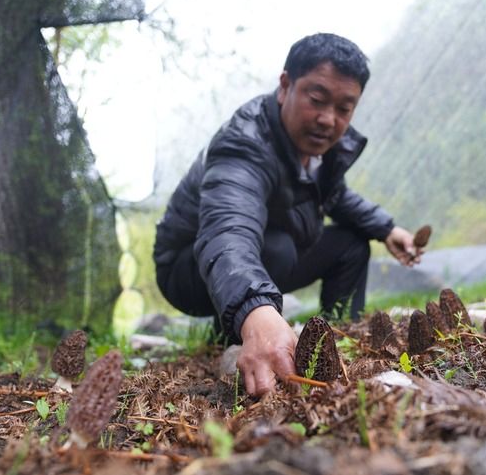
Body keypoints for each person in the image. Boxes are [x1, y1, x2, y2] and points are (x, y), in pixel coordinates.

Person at [154, 33, 422, 396]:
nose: (327, 119)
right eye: (317, 100)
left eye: (344, 109)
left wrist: (388, 229)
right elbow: (228, 231)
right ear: (285, 86)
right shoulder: (244, 144)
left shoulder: (319, 149)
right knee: (277, 248)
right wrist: (256, 311)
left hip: (268, 251)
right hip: (191, 270)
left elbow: (336, 197)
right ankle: (239, 333)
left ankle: (338, 334)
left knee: (351, 243)